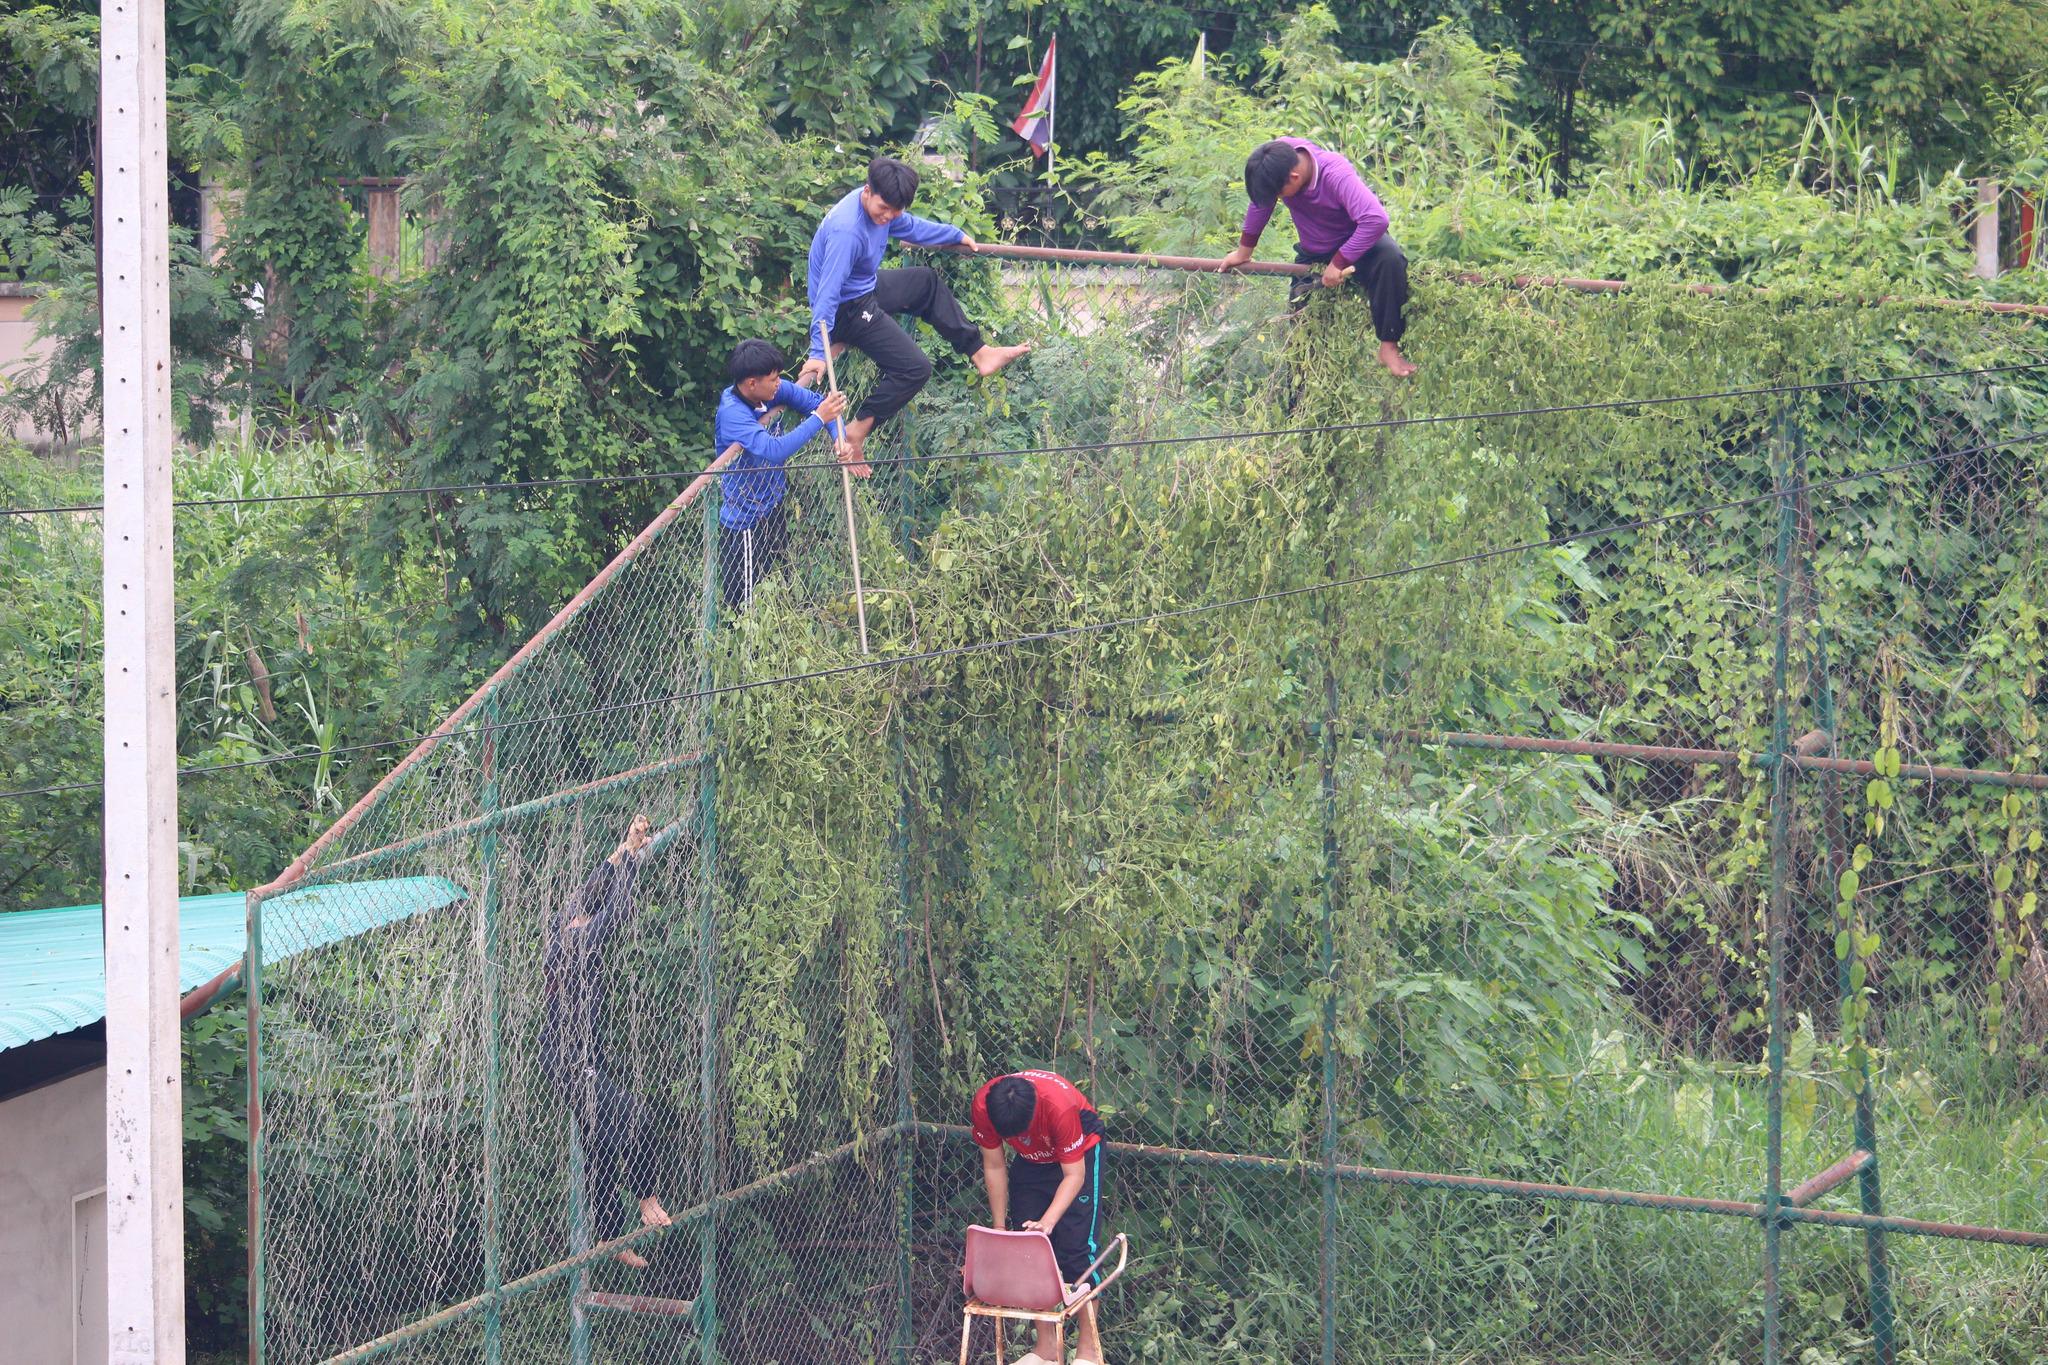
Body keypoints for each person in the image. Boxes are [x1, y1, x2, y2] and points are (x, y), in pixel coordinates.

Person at [797, 155, 1031, 466]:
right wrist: (818, 350)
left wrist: (954, 235)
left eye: (895, 211)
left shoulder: (884, 209)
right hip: (845, 310)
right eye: (883, 209)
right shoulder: (847, 232)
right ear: (867, 191)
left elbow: (909, 227)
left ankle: (981, 353)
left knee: (925, 282)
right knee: (916, 368)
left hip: (863, 289)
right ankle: (856, 430)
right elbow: (827, 294)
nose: (887, 217)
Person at [541, 813, 672, 1267]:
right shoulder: (572, 942)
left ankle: (610, 1241)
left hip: (580, 1062)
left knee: (598, 1145)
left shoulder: (572, 925)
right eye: (582, 913)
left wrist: (627, 845)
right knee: (635, 1116)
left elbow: (600, 881)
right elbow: (617, 910)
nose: (585, 912)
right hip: (569, 1063)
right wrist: (632, 863)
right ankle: (646, 1197)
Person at [1219, 137, 1416, 377]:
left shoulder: (1334, 173)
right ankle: (1299, 392)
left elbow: (1376, 220)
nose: (1278, 200)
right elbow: (1262, 203)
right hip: (1314, 252)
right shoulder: (1275, 159)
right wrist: (1243, 252)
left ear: (1294, 177)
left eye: (1279, 195)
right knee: (1301, 342)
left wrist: (1339, 263)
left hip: (1357, 243)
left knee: (1391, 259)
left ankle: (1388, 346)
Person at [971, 1070, 1110, 1365]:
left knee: (1076, 1253)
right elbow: (994, 1166)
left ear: (1033, 1114)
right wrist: (999, 1228)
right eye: (1012, 1138)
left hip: (1079, 1155)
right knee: (1028, 1251)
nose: (1017, 1140)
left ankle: (1089, 1352)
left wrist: (1048, 1221)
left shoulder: (1058, 1106)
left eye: (1021, 1134)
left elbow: (1074, 1175)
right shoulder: (985, 1106)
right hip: (1032, 1163)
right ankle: (1047, 1349)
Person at [713, 338, 849, 611]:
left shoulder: (771, 392)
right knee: (744, 607)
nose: (779, 384)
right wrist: (820, 419)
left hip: (773, 505)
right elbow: (774, 450)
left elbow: (819, 404)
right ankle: (744, 653)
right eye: (773, 379)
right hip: (745, 523)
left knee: (780, 584)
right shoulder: (732, 413)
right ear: (752, 383)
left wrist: (840, 439)